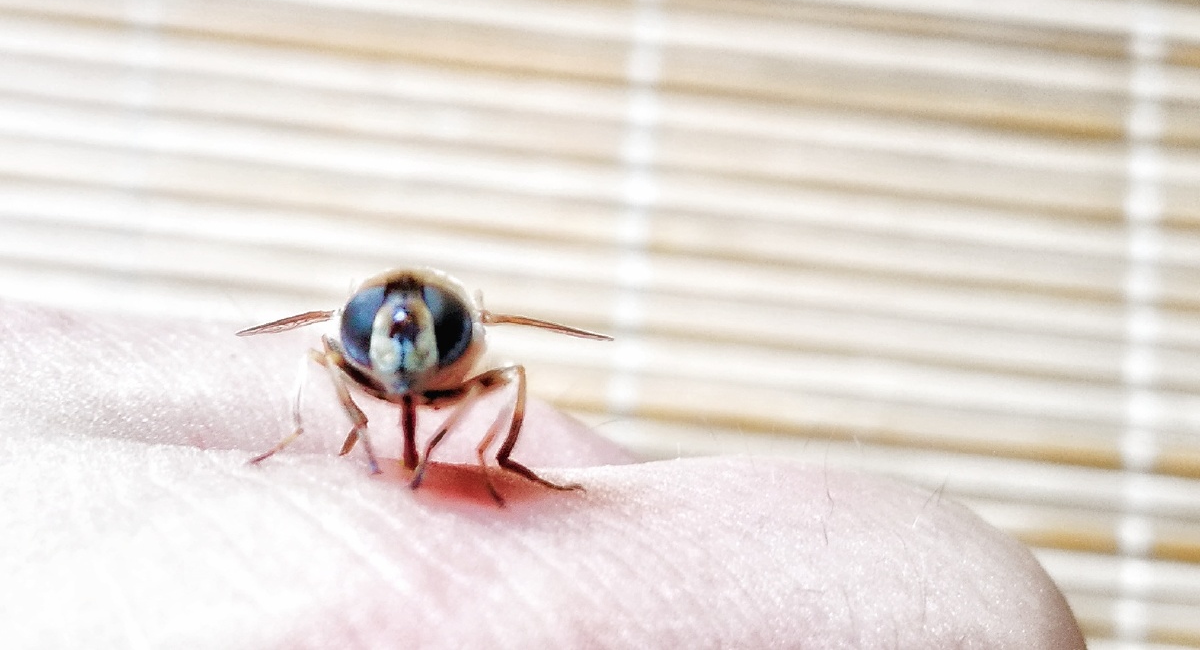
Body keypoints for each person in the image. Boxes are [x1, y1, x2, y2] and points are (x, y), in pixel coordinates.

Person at [0, 300, 1085, 648]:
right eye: (393, 342)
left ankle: (490, 455)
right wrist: (324, 436)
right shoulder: (339, 348)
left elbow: (481, 368)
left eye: (434, 339)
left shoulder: (470, 355)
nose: (410, 353)